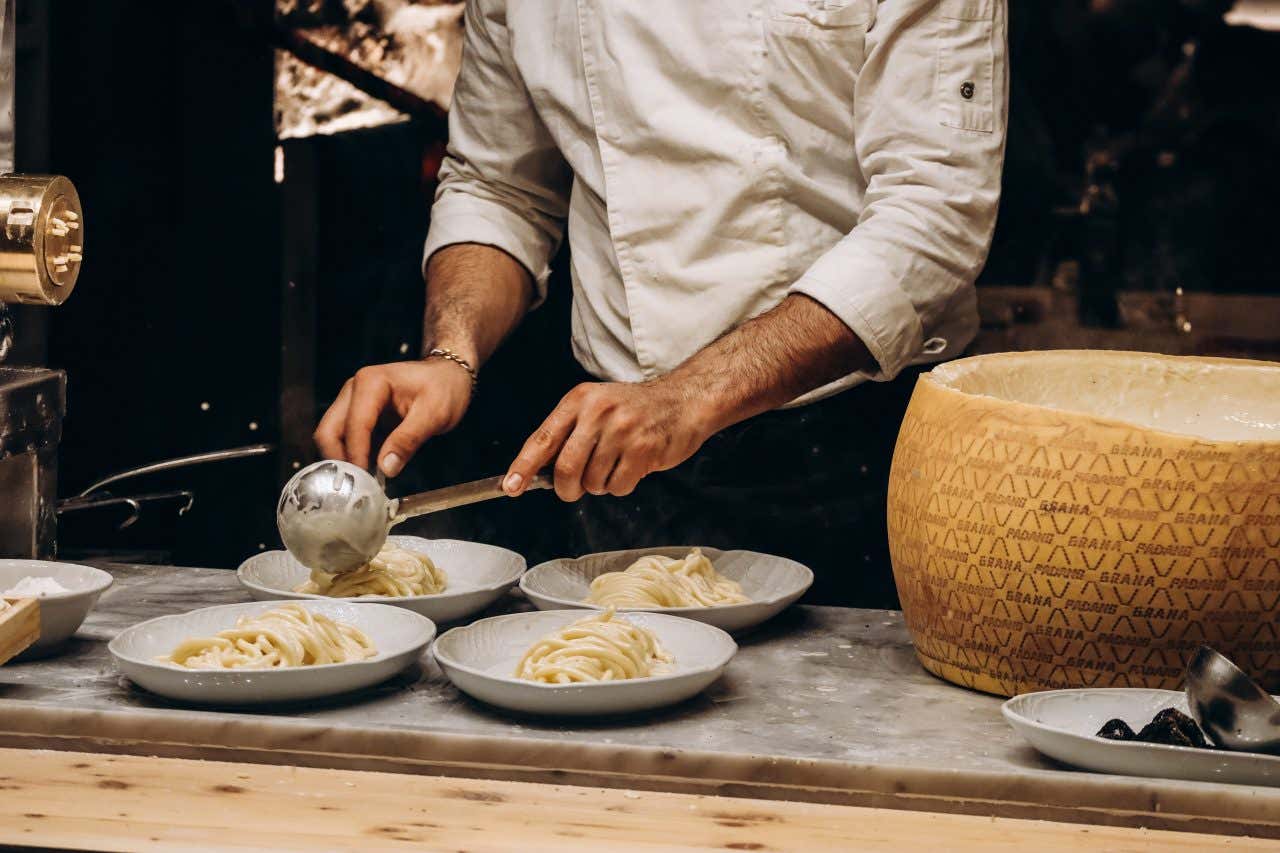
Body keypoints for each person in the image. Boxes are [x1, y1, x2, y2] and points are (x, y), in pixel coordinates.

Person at [316, 0, 1008, 607]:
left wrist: (685, 398)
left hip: (858, 446)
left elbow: (934, 212)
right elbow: (501, 184)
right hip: (626, 466)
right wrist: (452, 352)